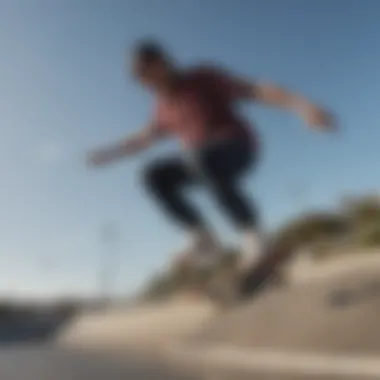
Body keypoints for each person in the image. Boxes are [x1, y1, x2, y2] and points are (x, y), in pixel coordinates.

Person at [88, 39, 335, 282]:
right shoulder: (162, 106)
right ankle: (202, 238)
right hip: (201, 162)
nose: (147, 82)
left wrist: (303, 106)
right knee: (153, 175)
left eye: (148, 72)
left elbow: (255, 90)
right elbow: (143, 138)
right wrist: (108, 154)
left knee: (199, 155)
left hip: (237, 148)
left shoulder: (202, 78)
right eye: (140, 78)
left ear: (163, 63)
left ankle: (254, 238)